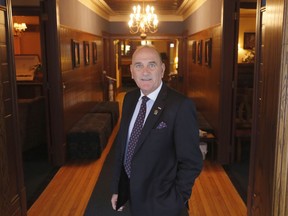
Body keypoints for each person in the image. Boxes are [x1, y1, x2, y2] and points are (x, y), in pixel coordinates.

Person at [111, 45, 203, 216]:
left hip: (164, 205)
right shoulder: (129, 99)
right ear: (132, 71)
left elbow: (192, 161)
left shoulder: (180, 106)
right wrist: (119, 188)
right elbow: (123, 148)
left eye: (152, 65)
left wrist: (176, 200)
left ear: (162, 70)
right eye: (139, 65)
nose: (145, 71)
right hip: (133, 197)